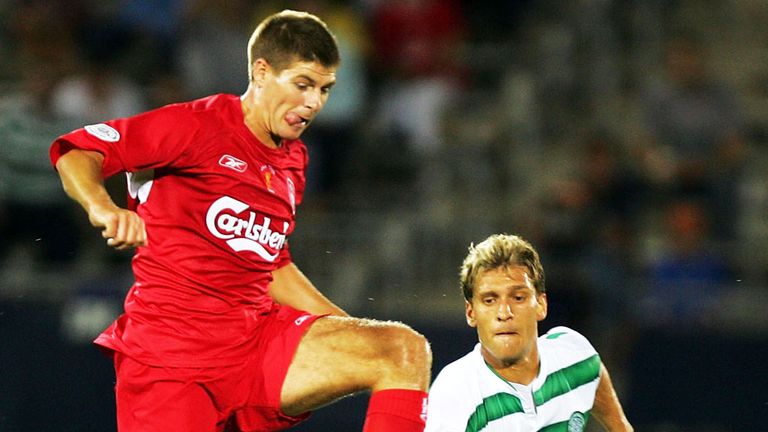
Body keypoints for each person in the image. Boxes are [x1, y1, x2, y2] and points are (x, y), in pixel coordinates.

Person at [49, 10, 431, 432]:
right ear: (262, 72)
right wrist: (103, 207)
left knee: (399, 349)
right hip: (172, 359)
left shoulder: (294, 159)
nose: (314, 103)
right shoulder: (195, 125)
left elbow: (271, 264)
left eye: (325, 89)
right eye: (303, 84)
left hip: (254, 344)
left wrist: (343, 328)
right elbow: (77, 153)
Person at [425, 234, 632, 431]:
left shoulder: (574, 355)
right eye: (490, 300)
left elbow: (618, 422)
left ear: (541, 305)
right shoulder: (454, 392)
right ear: (471, 313)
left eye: (518, 298)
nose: (504, 313)